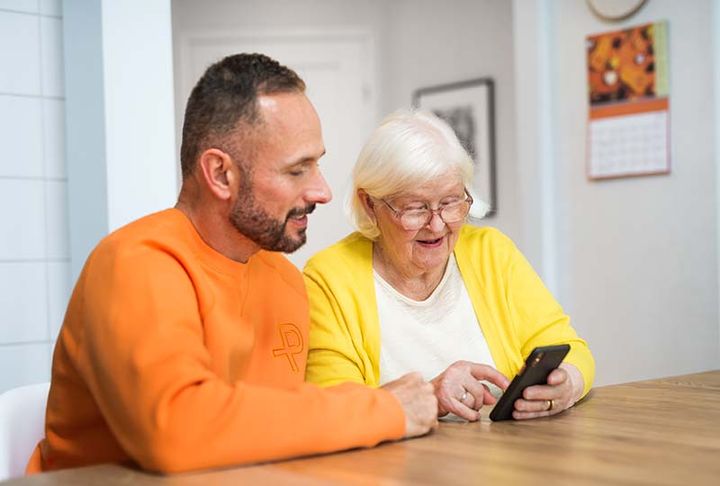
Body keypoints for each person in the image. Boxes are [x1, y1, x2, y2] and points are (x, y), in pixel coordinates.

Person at [27, 54, 438, 475]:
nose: (322, 191)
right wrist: (383, 410)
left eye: (317, 164)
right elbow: (179, 432)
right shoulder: (136, 263)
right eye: (298, 170)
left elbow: (274, 430)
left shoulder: (284, 281)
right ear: (221, 174)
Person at [304, 110, 595, 422]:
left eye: (450, 202)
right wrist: (430, 397)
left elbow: (569, 347)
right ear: (369, 203)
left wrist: (568, 384)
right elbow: (335, 408)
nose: (437, 224)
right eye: (416, 208)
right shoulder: (328, 279)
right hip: (393, 467)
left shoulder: (491, 252)